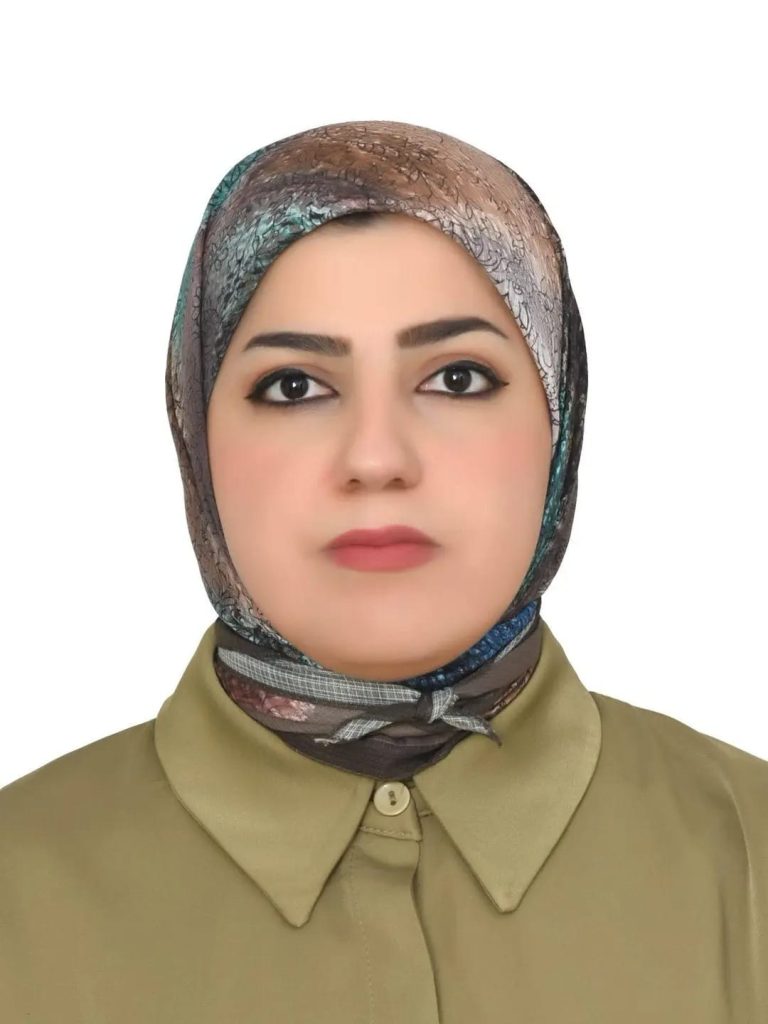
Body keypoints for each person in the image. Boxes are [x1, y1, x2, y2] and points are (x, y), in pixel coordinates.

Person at [1, 119, 766, 1022]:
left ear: (558, 421)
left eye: (457, 378)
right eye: (294, 386)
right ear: (196, 433)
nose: (375, 458)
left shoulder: (747, 850)